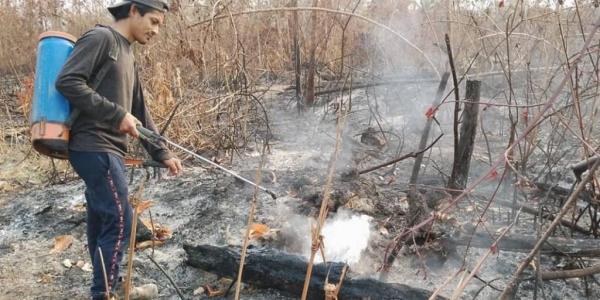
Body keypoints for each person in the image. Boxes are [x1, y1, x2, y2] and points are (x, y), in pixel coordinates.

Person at [55, 1, 182, 299]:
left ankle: (108, 288)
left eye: (160, 25)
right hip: (92, 144)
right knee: (120, 217)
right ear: (134, 10)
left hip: (108, 148)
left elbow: (138, 109)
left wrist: (162, 153)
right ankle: (105, 293)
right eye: (153, 21)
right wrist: (116, 115)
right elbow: (68, 81)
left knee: (102, 218)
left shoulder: (128, 53)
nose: (155, 31)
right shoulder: (101, 39)